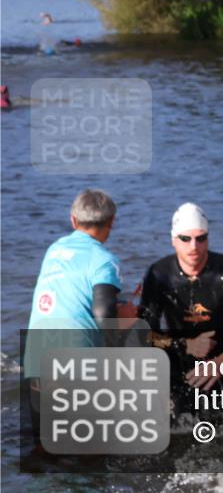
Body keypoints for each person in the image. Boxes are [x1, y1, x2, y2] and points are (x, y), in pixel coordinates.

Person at [22, 190, 122, 445]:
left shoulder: (54, 250)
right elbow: (103, 315)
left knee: (44, 452)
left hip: (37, 363)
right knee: (90, 456)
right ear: (111, 222)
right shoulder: (104, 260)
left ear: (73, 220)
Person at [138, 203, 223, 420]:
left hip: (218, 365)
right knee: (176, 433)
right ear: (173, 240)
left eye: (201, 238)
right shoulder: (159, 275)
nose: (194, 246)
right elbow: (144, 333)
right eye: (185, 239)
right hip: (176, 361)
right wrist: (186, 345)